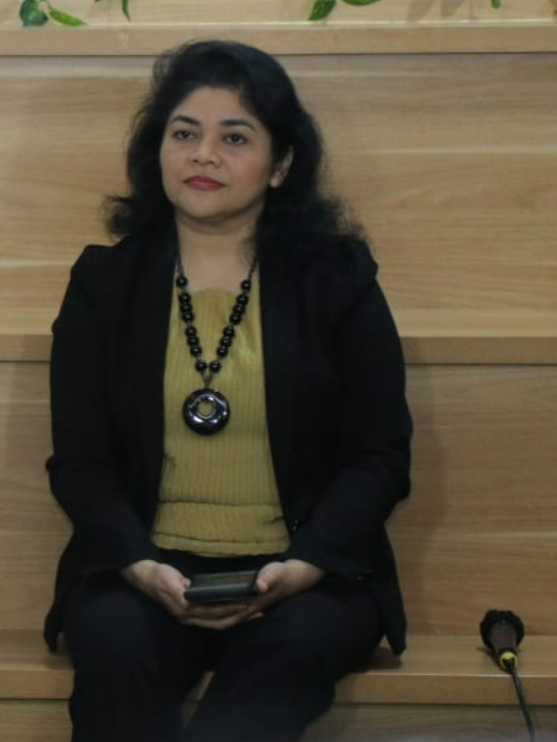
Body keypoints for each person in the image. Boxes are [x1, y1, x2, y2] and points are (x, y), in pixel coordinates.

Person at [43, 40, 412, 742]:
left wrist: (303, 568)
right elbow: (81, 462)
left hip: (303, 574)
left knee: (279, 669)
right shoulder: (104, 284)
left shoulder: (338, 281)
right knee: (116, 656)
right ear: (157, 151)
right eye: (184, 134)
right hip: (145, 568)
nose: (203, 155)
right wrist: (141, 566)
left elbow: (380, 457)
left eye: (234, 138)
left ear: (280, 165)